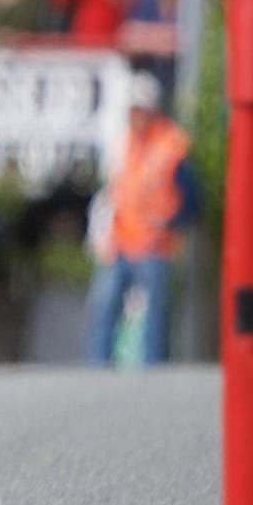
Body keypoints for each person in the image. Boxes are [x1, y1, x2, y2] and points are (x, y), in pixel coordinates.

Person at [86, 72, 197, 367]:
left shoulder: (171, 144)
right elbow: (112, 192)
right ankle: (98, 367)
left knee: (155, 314)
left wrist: (172, 224)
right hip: (121, 240)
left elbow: (191, 197)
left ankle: (153, 369)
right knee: (106, 309)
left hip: (154, 244)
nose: (136, 117)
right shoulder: (124, 144)